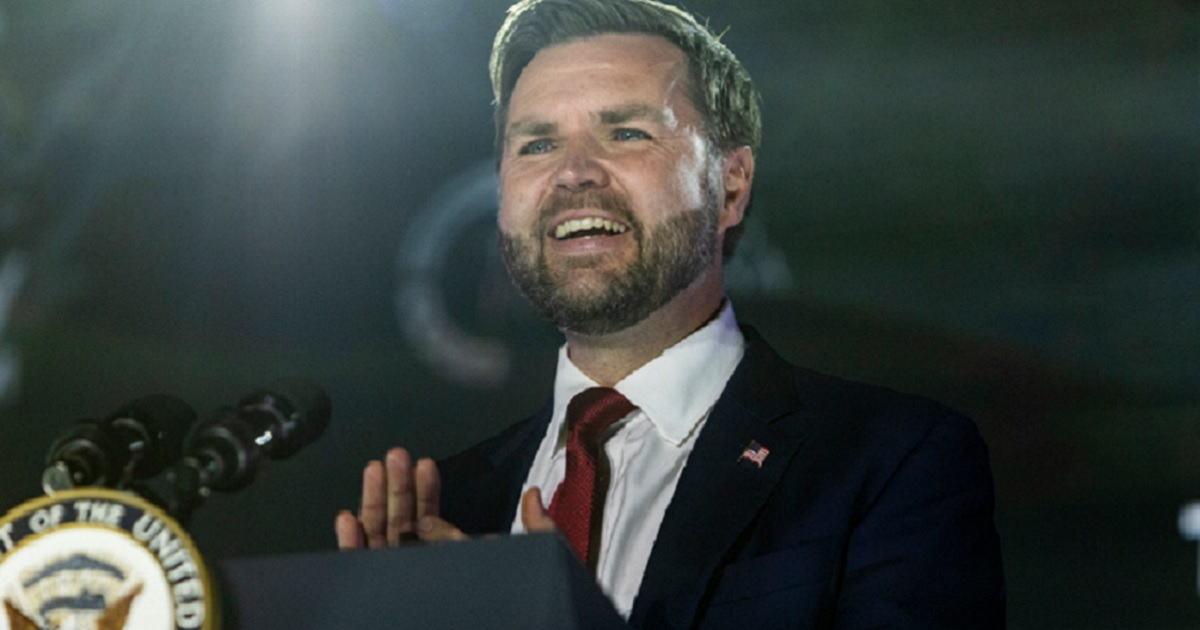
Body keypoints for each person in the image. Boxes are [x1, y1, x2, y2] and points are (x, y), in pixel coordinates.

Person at [335, 0, 1006, 627]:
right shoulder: (444, 511)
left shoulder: (893, 462)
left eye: (625, 132)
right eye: (536, 144)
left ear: (731, 184)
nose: (573, 173)